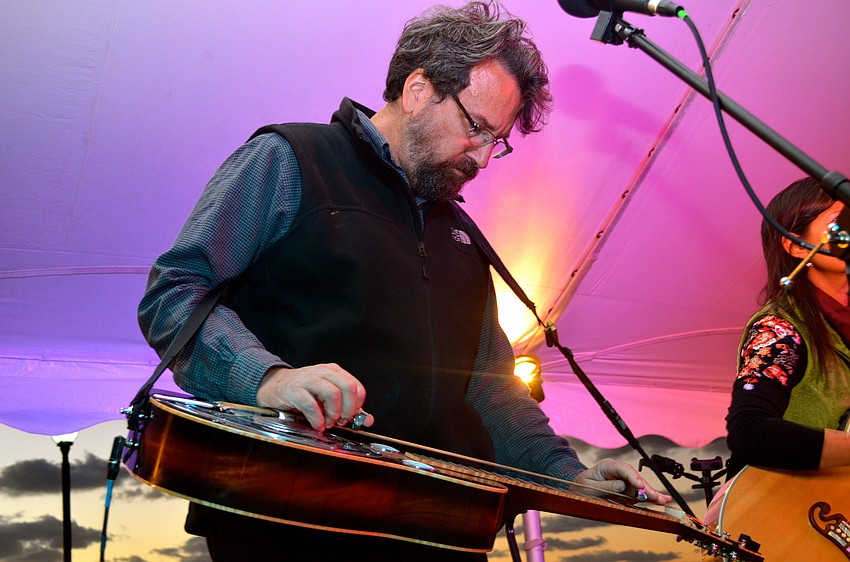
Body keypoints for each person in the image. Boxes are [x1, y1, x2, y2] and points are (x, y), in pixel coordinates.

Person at [137, 2, 670, 560]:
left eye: (499, 141)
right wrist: (267, 379)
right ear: (418, 89)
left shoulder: (463, 236)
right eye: (476, 128)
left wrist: (568, 478)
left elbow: (489, 387)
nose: (485, 159)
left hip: (433, 530)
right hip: (284, 519)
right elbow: (176, 292)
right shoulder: (293, 160)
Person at [725, 177, 850, 478]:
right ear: (796, 246)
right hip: (771, 514)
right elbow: (749, 431)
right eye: (841, 221)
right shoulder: (779, 329)